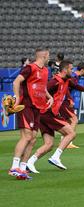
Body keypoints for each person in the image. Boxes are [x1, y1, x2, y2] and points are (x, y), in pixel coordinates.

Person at [26, 60, 81, 173]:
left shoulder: (66, 81)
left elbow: (77, 86)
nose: (73, 70)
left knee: (49, 144)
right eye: (71, 68)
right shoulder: (55, 81)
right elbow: (43, 90)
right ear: (65, 70)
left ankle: (29, 163)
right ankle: (56, 157)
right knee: (71, 133)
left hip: (43, 115)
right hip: (48, 113)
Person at [9, 48, 53, 180]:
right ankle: (14, 167)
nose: (49, 57)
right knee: (27, 136)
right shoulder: (30, 68)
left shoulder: (45, 71)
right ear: (44, 56)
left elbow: (42, 87)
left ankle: (22, 169)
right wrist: (17, 98)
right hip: (26, 105)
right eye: (48, 55)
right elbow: (16, 81)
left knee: (33, 138)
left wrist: (49, 97)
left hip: (37, 107)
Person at [59, 62, 84, 149]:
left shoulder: (75, 77)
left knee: (69, 122)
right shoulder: (73, 77)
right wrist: (69, 99)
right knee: (74, 120)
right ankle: (68, 142)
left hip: (66, 102)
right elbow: (68, 88)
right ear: (82, 70)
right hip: (65, 102)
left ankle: (64, 140)